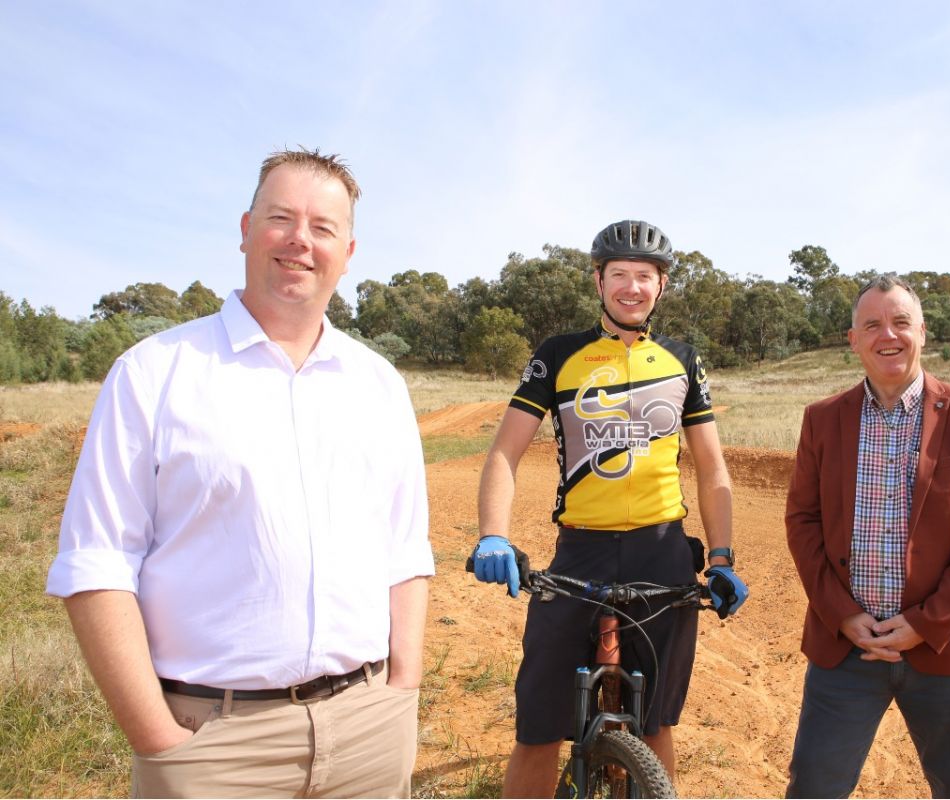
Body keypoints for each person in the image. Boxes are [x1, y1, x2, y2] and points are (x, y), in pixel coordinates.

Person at [45, 148, 434, 798]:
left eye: (323, 227)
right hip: (213, 745)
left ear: (349, 249)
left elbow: (405, 549)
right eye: (281, 218)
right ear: (247, 228)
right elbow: (97, 564)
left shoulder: (380, 385)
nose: (300, 241)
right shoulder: (153, 373)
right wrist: (160, 744)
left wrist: (404, 690)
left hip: (368, 733)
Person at [471, 219, 749, 797]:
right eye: (618, 274)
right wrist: (493, 534)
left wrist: (720, 556)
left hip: (662, 549)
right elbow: (504, 452)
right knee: (541, 721)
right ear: (598, 281)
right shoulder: (560, 354)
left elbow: (713, 468)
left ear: (661, 286)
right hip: (582, 549)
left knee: (657, 722)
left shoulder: (681, 360)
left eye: (644, 277)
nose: (631, 287)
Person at [783, 274, 950, 798]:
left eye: (900, 322)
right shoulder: (822, 419)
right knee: (813, 789)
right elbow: (802, 521)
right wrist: (842, 615)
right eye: (872, 324)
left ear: (923, 332)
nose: (888, 334)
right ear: (853, 340)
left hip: (947, 650)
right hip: (846, 650)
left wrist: (923, 623)